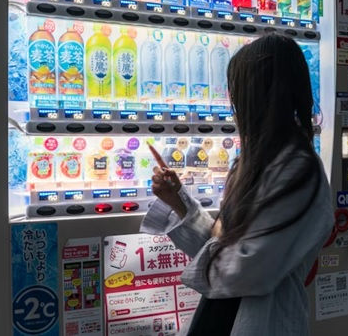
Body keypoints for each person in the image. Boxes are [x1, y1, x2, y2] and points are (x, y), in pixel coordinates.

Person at [141, 34, 334, 336]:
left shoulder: (298, 168)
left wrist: (217, 248)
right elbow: (227, 248)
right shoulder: (255, 163)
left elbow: (247, 269)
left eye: (238, 92)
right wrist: (178, 201)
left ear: (261, 95)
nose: (234, 105)